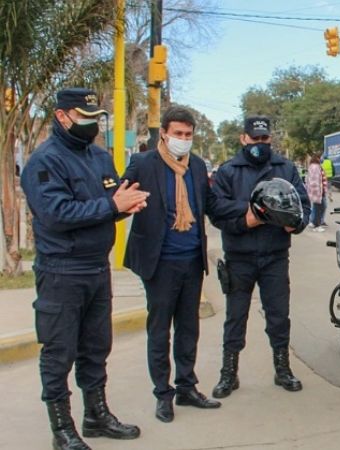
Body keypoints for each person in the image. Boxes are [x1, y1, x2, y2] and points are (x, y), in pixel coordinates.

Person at [21, 88, 145, 449]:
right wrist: (112, 205)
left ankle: (96, 415)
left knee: (96, 347)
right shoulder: (44, 162)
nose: (93, 124)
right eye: (85, 117)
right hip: (62, 270)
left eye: (96, 117)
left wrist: (126, 204)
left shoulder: (98, 156)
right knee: (59, 351)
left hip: (95, 267)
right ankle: (62, 428)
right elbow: (57, 214)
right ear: (62, 116)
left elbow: (106, 203)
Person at [122, 106, 239, 422]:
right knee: (160, 330)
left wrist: (248, 211)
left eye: (188, 135)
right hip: (159, 263)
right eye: (178, 134)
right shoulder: (143, 163)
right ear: (164, 133)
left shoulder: (197, 166)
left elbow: (212, 205)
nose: (183, 140)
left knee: (189, 328)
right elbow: (121, 199)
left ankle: (187, 387)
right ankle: (163, 394)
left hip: (191, 260)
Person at [210, 116, 310, 397]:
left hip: (275, 255)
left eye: (265, 139)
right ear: (243, 138)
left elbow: (303, 205)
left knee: (279, 315)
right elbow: (217, 211)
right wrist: (248, 219)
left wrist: (296, 223)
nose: (260, 144)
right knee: (235, 317)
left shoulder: (285, 168)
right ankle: (228, 374)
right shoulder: (228, 171)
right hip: (239, 257)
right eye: (255, 139)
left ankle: (283, 369)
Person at [306, 155, 328, 231]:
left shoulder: (312, 167)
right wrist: (319, 192)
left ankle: (313, 222)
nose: (321, 159)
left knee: (318, 207)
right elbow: (316, 181)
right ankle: (317, 225)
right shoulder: (316, 167)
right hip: (319, 192)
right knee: (320, 208)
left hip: (317, 191)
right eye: (320, 158)